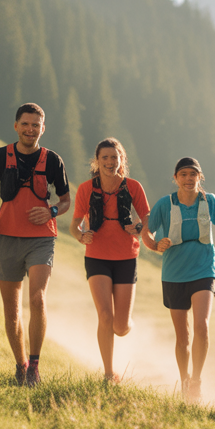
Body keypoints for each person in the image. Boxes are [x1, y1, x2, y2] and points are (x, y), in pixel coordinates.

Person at [0, 103, 71, 387]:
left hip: (42, 238)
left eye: (36, 125)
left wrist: (52, 210)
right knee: (11, 308)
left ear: (43, 129)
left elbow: (66, 200)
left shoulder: (53, 160)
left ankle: (35, 368)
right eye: (25, 124)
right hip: (7, 237)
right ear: (16, 126)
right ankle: (21, 365)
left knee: (38, 299)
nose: (30, 130)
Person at [143, 157, 215, 402]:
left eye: (193, 174)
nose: (188, 179)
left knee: (202, 326)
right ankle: (184, 379)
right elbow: (146, 229)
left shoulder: (209, 200)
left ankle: (196, 380)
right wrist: (154, 245)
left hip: (204, 270)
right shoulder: (165, 204)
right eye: (183, 174)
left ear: (199, 177)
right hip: (173, 273)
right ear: (175, 179)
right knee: (182, 335)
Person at [68, 138, 150, 382]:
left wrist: (140, 229)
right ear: (97, 161)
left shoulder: (133, 186)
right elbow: (74, 224)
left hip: (126, 256)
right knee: (105, 316)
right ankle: (108, 373)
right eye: (104, 158)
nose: (109, 162)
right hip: (97, 257)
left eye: (114, 157)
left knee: (120, 327)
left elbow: (147, 217)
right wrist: (82, 236)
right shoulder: (85, 189)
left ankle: (127, 323)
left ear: (121, 160)